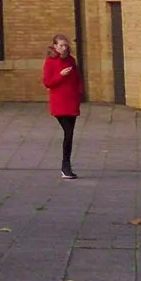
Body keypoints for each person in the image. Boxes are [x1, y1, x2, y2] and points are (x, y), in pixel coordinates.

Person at [42, 33, 83, 180]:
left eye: (66, 45)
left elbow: (77, 78)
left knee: (70, 134)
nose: (64, 48)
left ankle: (66, 166)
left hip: (72, 101)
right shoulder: (50, 61)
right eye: (61, 45)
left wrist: (79, 94)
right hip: (59, 103)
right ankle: (65, 166)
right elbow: (47, 82)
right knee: (69, 132)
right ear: (55, 46)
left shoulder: (71, 60)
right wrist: (60, 75)